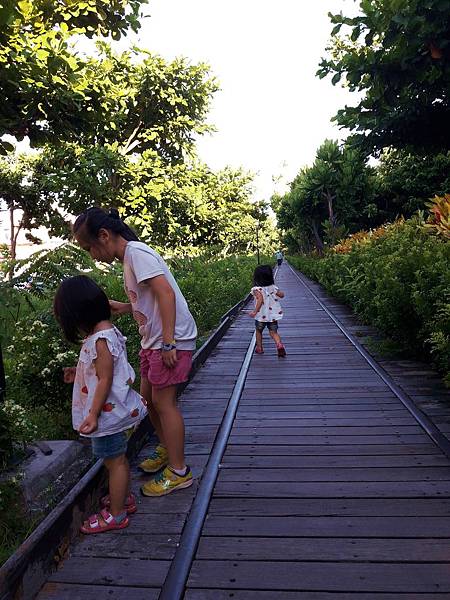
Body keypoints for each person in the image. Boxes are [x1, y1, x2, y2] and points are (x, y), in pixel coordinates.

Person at [72, 207, 196, 497]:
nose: (92, 256)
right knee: (150, 401)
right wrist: (128, 307)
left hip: (169, 340)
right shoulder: (130, 258)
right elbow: (152, 298)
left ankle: (180, 472)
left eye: (89, 247)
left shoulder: (137, 254)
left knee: (165, 404)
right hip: (153, 341)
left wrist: (168, 342)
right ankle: (168, 448)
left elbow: (166, 293)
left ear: (104, 236)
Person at [54, 275, 147, 534]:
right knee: (116, 459)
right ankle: (123, 499)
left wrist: (93, 414)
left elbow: (105, 378)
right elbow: (104, 370)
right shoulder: (107, 331)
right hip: (113, 412)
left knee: (115, 462)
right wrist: (80, 372)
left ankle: (116, 514)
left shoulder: (100, 340)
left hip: (107, 415)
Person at [249, 264, 286, 357]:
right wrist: (279, 293)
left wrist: (255, 311)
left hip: (261, 316)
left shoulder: (256, 289)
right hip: (272, 316)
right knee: (273, 332)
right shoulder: (272, 287)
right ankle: (279, 344)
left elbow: (260, 300)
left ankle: (259, 348)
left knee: (258, 331)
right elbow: (281, 295)